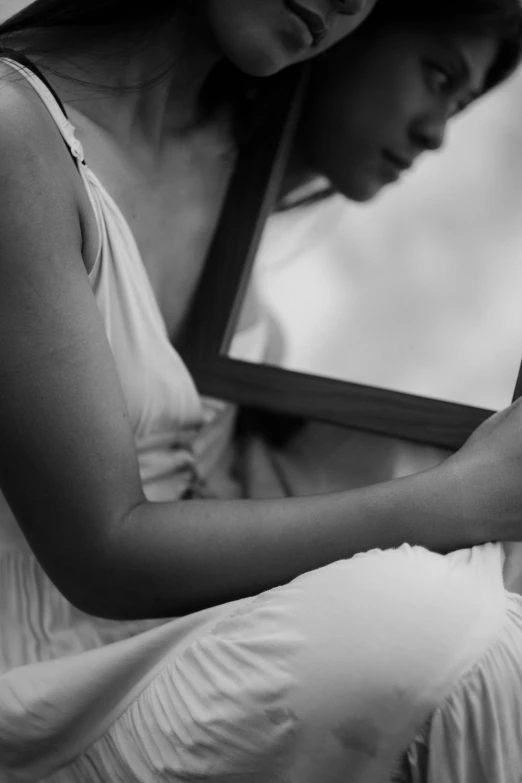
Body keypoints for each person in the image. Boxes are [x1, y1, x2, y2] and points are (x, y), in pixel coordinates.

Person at [0, 1, 521, 781]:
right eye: (438, 77)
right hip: (51, 677)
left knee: (477, 594)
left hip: (167, 638)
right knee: (428, 619)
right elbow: (99, 550)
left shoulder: (229, 170)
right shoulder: (18, 136)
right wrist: (454, 499)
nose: (347, 1)